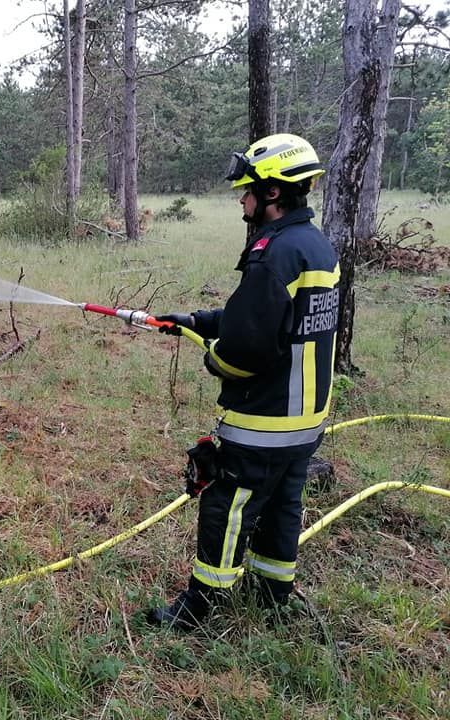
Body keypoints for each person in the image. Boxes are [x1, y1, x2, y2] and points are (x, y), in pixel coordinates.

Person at [147, 133, 340, 630]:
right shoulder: (314, 246)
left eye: (248, 189)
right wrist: (196, 320)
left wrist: (214, 357)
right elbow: (266, 317)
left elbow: (247, 348)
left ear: (272, 193)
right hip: (305, 421)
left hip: (263, 419)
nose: (242, 198)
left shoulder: (272, 254)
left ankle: (199, 609)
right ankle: (273, 592)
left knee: (226, 505)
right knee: (281, 505)